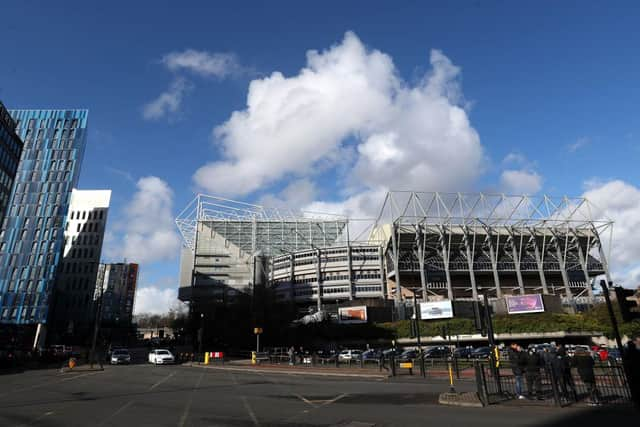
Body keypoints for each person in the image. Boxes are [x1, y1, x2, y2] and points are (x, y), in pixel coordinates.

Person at [624, 334, 640, 407]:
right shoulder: (636, 351)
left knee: (634, 386)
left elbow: (626, 361)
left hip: (632, 372)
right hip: (636, 371)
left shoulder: (628, 352)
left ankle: (635, 399)